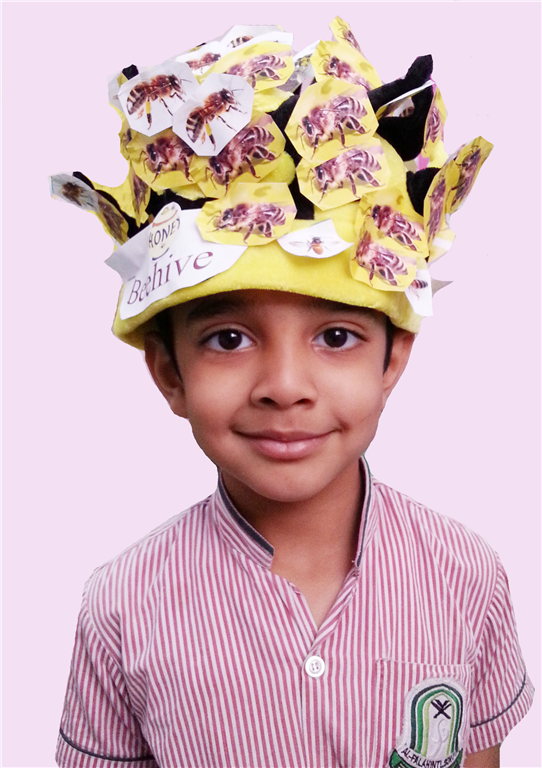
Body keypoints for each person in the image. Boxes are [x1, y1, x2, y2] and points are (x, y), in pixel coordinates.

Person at [51, 18, 533, 768]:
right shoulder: (120, 607)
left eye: (336, 336)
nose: (283, 387)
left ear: (394, 357)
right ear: (168, 371)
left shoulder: (466, 575)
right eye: (228, 339)